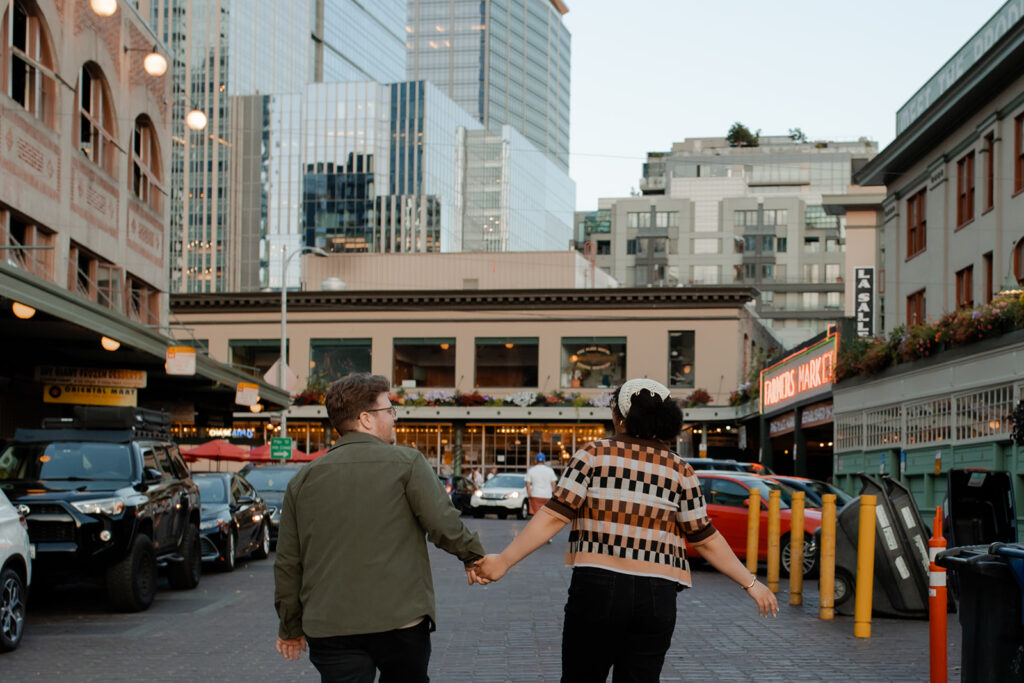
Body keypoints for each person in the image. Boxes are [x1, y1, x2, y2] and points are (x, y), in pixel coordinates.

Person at [473, 378, 778, 682]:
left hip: (597, 588)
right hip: (657, 595)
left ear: (617, 418)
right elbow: (705, 538)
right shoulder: (681, 471)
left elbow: (554, 516)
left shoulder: (593, 455)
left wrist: (504, 561)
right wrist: (752, 584)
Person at [274, 373, 487, 682]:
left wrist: (290, 628)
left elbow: (287, 563)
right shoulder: (408, 463)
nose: (394, 418)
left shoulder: (302, 481)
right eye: (389, 410)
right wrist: (474, 557)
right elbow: (444, 524)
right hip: (399, 621)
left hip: (330, 625)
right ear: (365, 419)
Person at [524, 452, 558, 516]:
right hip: (547, 495)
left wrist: (529, 494)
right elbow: (553, 484)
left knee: (536, 515)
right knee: (545, 515)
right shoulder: (550, 470)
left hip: (535, 495)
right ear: (544, 461)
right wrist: (553, 494)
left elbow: (527, 484)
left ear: (535, 460)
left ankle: (536, 525)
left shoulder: (531, 470)